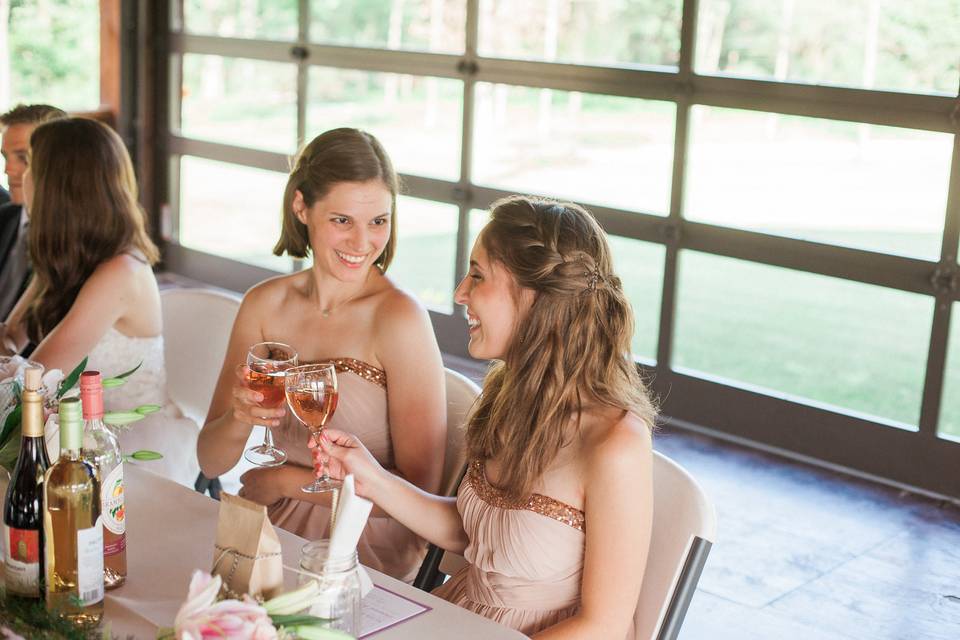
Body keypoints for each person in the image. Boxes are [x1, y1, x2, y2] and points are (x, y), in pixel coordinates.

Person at [318, 195, 656, 638]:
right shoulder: (506, 397)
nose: (460, 292)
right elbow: (471, 531)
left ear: (536, 297)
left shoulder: (615, 444)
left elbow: (604, 625)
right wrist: (372, 477)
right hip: (463, 618)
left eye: (477, 275)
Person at [197, 128, 447, 582]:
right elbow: (211, 463)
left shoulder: (399, 318)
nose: (363, 243)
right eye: (342, 220)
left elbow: (419, 491)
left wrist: (282, 481)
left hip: (362, 539)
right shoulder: (263, 304)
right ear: (301, 207)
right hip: (267, 522)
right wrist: (239, 417)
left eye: (378, 221)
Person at [0, 117, 199, 487]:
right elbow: (10, 335)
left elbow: (36, 379)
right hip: (70, 436)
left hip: (127, 450)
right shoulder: (65, 257)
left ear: (58, 184)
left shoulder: (120, 271)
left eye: (29, 164)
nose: (18, 174)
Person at [0, 104, 67, 320]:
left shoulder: (78, 239)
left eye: (23, 158)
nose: (8, 170)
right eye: (5, 157)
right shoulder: (4, 218)